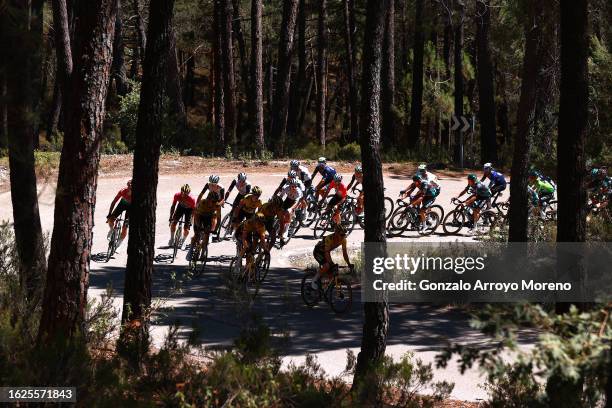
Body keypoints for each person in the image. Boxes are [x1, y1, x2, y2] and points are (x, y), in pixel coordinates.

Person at [311, 224, 353, 289]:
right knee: (327, 266)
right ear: (336, 233)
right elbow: (326, 253)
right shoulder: (329, 238)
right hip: (318, 252)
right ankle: (315, 280)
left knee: (332, 273)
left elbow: (345, 253)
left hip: (326, 252)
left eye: (344, 235)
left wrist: (349, 264)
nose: (343, 236)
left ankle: (325, 290)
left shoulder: (343, 240)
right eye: (341, 235)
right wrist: (331, 264)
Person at [187, 192, 220, 261]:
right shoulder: (203, 203)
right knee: (196, 234)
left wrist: (215, 229)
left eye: (215, 202)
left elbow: (217, 218)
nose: (214, 203)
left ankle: (203, 250)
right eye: (213, 201)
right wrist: (198, 226)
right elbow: (196, 216)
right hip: (199, 216)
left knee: (207, 234)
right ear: (208, 199)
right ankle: (190, 250)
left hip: (208, 218)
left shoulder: (217, 205)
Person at [106, 179, 132, 252]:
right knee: (110, 219)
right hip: (122, 204)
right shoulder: (122, 191)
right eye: (129, 187)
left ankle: (118, 244)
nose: (130, 188)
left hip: (131, 208)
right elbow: (114, 202)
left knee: (125, 227)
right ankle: (111, 230)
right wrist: (109, 213)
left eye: (132, 187)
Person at [278, 178, 303, 245]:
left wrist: (291, 209)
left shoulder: (298, 191)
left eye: (295, 186)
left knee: (289, 213)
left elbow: (296, 202)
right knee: (280, 210)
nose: (294, 187)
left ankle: (286, 231)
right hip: (288, 199)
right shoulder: (286, 188)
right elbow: (281, 196)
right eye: (292, 186)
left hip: (295, 202)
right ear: (289, 186)